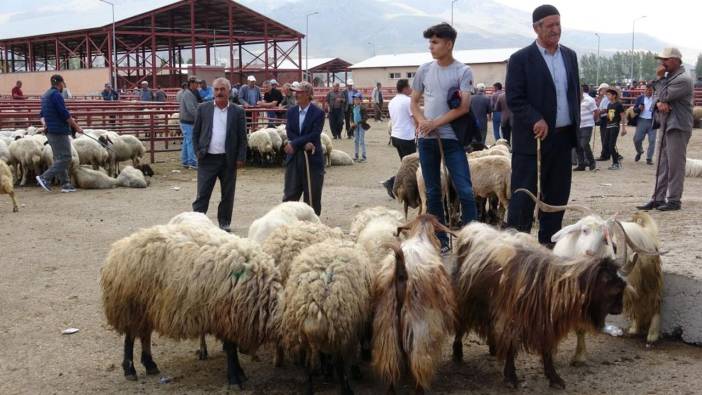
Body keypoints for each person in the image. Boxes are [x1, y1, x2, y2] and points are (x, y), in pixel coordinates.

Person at [505, 4, 581, 246]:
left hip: (563, 137)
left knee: (557, 195)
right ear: (536, 28)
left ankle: (549, 244)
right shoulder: (520, 59)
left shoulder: (570, 56)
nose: (556, 29)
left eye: (558, 24)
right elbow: (514, 98)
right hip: (533, 141)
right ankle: (517, 247)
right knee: (524, 194)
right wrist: (535, 117)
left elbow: (573, 92)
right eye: (550, 25)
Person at [410, 22, 478, 253]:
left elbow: (464, 107)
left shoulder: (463, 71)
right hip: (428, 140)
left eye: (435, 42)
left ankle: (472, 239)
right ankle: (441, 240)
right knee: (432, 192)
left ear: (449, 44)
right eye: (430, 42)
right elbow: (413, 101)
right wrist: (421, 121)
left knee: (465, 190)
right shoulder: (424, 70)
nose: (431, 46)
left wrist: (433, 123)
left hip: (452, 139)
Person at [637, 47, 694, 212]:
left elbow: (663, 95)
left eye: (666, 60)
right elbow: (657, 96)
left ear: (676, 60)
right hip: (666, 124)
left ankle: (674, 200)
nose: (662, 63)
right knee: (662, 164)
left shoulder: (683, 79)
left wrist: (660, 81)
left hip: (678, 126)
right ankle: (658, 198)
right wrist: (659, 102)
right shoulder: (671, 78)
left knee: (675, 165)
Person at [191, 78, 247, 232]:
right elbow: (195, 133)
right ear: (213, 91)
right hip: (207, 158)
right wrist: (197, 150)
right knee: (203, 193)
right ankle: (196, 222)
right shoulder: (203, 108)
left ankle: (224, 222)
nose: (219, 92)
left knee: (228, 194)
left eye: (222, 89)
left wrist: (241, 157)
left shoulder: (238, 111)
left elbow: (243, 137)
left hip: (228, 159)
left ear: (229, 91)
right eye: (216, 89)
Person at [283, 81, 325, 215]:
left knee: (312, 196)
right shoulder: (291, 112)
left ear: (307, 94)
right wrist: (302, 144)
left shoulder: (318, 113)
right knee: (290, 194)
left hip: (312, 159)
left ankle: (313, 226)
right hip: (294, 158)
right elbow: (289, 132)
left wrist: (294, 144)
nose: (296, 94)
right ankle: (287, 222)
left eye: (299, 92)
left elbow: (314, 133)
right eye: (295, 92)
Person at [36, 74, 82, 193]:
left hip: (50, 131)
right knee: (66, 157)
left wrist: (45, 124)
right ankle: (44, 177)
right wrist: (77, 127)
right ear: (60, 83)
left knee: (59, 158)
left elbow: (41, 114)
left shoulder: (45, 95)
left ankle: (65, 184)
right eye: (63, 84)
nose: (63, 86)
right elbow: (64, 114)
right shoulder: (56, 95)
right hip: (58, 131)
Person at [381, 78, 416, 198]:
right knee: (411, 166)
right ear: (405, 88)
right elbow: (413, 118)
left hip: (396, 135)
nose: (411, 89)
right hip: (406, 136)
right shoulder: (407, 101)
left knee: (405, 165)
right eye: (409, 87)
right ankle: (392, 183)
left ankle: (398, 185)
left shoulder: (392, 101)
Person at [178, 76, 202, 169]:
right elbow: (191, 109)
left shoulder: (189, 93)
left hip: (186, 121)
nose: (198, 85)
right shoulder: (188, 94)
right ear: (191, 84)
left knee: (187, 141)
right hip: (188, 121)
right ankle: (192, 161)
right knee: (191, 141)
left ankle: (185, 161)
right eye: (196, 83)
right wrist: (199, 117)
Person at [632, 84, 657, 165]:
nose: (648, 91)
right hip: (641, 120)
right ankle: (639, 151)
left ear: (653, 91)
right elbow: (634, 110)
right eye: (646, 89)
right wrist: (639, 108)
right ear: (644, 90)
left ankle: (649, 158)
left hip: (653, 121)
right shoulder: (640, 98)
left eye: (650, 90)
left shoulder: (656, 99)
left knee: (652, 140)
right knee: (637, 139)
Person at [603, 87, 627, 170]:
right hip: (608, 126)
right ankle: (617, 157)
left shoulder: (618, 105)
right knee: (606, 144)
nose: (607, 96)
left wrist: (623, 128)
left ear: (614, 96)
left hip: (615, 126)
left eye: (609, 95)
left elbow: (623, 116)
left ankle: (616, 163)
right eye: (607, 95)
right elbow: (609, 116)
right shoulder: (609, 105)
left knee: (611, 145)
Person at [574, 84, 597, 171]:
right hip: (577, 125)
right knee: (578, 145)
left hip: (587, 125)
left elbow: (596, 111)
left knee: (584, 144)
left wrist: (594, 120)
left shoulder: (590, 100)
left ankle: (592, 162)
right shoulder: (574, 100)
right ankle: (581, 164)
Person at [595, 83, 611, 161]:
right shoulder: (604, 98)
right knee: (604, 136)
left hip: (606, 118)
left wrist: (599, 112)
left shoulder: (607, 98)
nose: (600, 91)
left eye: (601, 89)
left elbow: (606, 109)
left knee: (604, 137)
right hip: (603, 118)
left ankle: (605, 154)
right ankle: (606, 153)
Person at [351, 94, 369, 162]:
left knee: (361, 140)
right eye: (354, 99)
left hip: (361, 126)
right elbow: (352, 116)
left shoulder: (363, 108)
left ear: (360, 100)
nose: (355, 100)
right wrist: (352, 122)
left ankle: (364, 156)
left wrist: (358, 122)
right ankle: (356, 155)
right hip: (355, 126)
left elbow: (365, 118)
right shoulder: (353, 107)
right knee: (356, 140)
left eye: (357, 99)